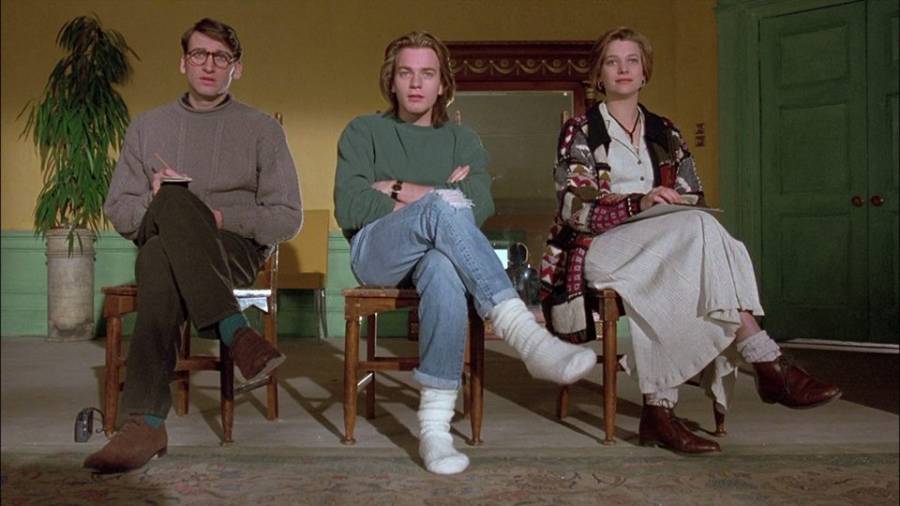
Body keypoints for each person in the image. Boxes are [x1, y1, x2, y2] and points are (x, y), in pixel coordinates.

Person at [540, 26, 841, 454]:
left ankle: (659, 412)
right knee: (699, 231)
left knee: (694, 235)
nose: (623, 69)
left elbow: (692, 195)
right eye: (612, 61)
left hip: (662, 246)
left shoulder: (666, 131)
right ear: (599, 74)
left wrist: (671, 202)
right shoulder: (581, 129)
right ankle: (765, 360)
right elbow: (575, 207)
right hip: (599, 248)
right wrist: (640, 202)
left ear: (645, 71)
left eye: (632, 60)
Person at [334, 31, 596, 475]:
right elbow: (352, 205)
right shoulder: (364, 131)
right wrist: (437, 195)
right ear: (391, 80)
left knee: (442, 266)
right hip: (376, 249)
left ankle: (434, 429)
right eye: (405, 73)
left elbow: (478, 206)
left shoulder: (463, 139)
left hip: (433, 257)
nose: (416, 83)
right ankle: (526, 336)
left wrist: (394, 187)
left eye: (427, 74)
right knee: (442, 206)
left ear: (442, 84)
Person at [85, 18, 302, 473]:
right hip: (167, 237)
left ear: (236, 68)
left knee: (159, 255)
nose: (209, 65)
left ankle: (145, 423)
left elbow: (287, 217)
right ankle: (234, 329)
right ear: (183, 62)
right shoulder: (147, 127)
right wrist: (157, 199)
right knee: (170, 206)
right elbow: (119, 209)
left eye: (221, 57)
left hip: (231, 249)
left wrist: (220, 218)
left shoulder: (263, 129)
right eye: (199, 54)